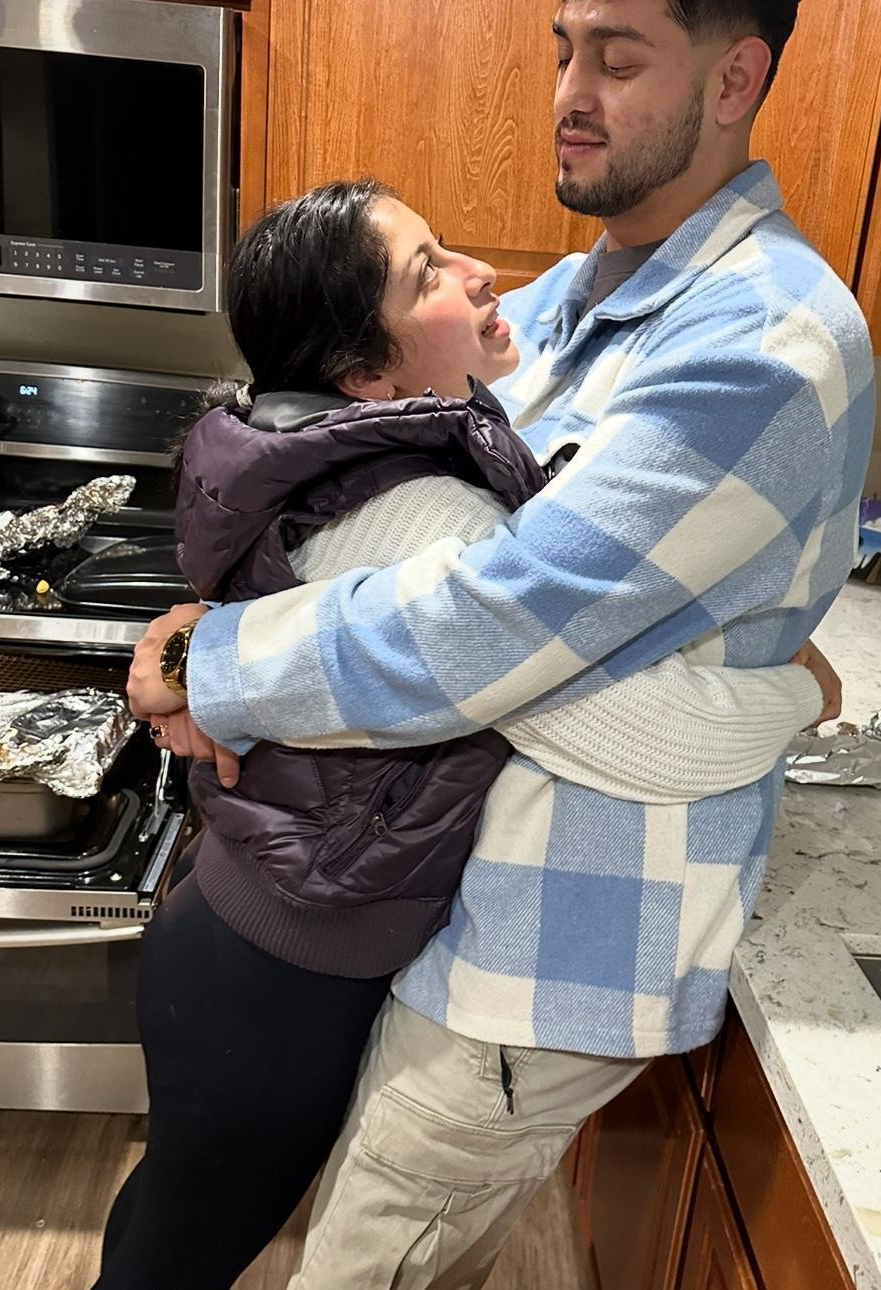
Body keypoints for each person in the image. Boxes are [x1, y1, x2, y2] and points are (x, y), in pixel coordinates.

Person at [102, 177, 835, 1290]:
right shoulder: (417, 509)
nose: (482, 273)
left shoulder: (359, 446)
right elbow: (639, 737)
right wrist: (801, 694)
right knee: (175, 1257)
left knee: (170, 1224)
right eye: (428, 271)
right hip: (280, 976)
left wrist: (197, 651)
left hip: (256, 932)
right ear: (368, 375)